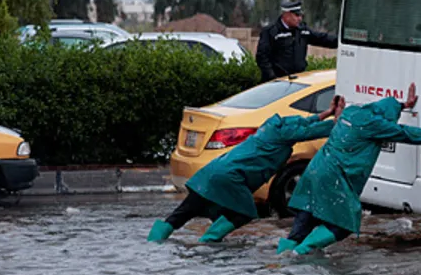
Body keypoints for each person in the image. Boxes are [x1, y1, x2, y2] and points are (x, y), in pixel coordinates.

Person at [277, 83, 421, 255]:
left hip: (314, 170)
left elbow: (384, 110)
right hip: (335, 176)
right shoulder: (375, 124)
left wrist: (403, 105)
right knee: (345, 223)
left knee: (307, 213)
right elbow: (402, 132)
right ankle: (303, 251)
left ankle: (283, 255)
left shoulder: (351, 111)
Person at [147, 94, 344, 243]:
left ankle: (153, 242)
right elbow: (310, 130)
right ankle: (208, 241)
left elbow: (304, 123)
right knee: (245, 212)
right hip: (232, 177)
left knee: (185, 211)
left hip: (212, 171)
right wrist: (339, 120)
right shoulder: (284, 135)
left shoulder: (274, 125)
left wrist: (326, 113)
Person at [256, 0, 339, 83]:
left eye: (301, 15)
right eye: (297, 15)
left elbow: (322, 39)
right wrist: (272, 77)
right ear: (286, 15)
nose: (300, 18)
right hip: (278, 83)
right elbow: (262, 57)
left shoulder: (302, 30)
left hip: (298, 81)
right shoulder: (271, 31)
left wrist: (342, 42)